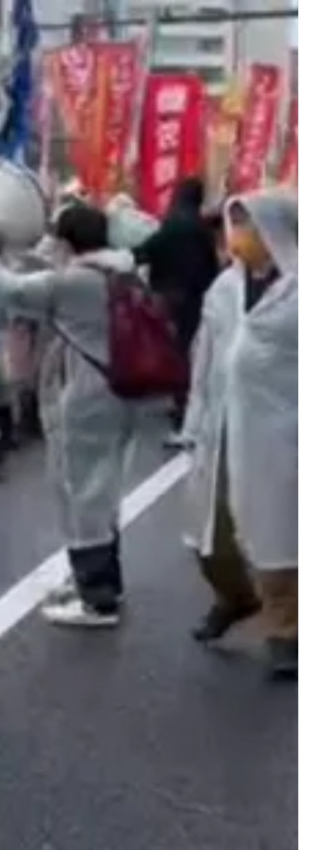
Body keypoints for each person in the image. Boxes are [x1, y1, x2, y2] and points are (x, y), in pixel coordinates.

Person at [0, 203, 170, 629]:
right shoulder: (123, 272)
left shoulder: (74, 280)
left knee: (83, 490)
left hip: (90, 395)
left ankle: (97, 598)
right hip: (123, 391)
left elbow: (11, 291)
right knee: (102, 488)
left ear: (66, 241)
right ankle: (106, 581)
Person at [179, 190, 298, 679]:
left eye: (248, 225)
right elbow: (204, 356)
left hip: (282, 432)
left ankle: (288, 633)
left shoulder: (304, 289)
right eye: (235, 225)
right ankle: (235, 597)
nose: (239, 236)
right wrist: (193, 420)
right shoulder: (224, 288)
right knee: (211, 538)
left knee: (279, 532)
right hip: (221, 426)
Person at [136, 177, 225, 365]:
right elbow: (212, 265)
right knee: (189, 349)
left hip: (164, 294)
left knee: (166, 347)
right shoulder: (202, 227)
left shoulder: (170, 223)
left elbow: (144, 252)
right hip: (194, 298)